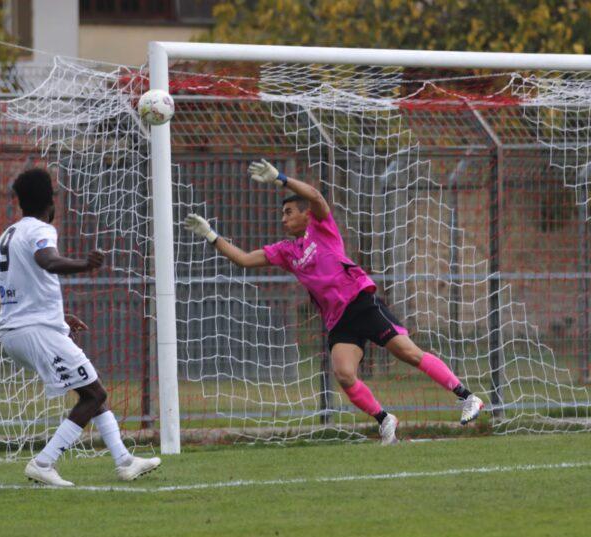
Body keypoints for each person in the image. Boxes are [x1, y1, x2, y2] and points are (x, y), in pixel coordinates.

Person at [184, 159, 484, 445]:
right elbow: (244, 260)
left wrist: (281, 179)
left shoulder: (322, 229)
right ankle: (384, 419)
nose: (283, 218)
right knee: (344, 374)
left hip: (360, 304)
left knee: (409, 354)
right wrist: (211, 235)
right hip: (338, 320)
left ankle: (466, 396)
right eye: (282, 213)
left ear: (305, 215)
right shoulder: (286, 251)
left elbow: (314, 194)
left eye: (289, 212)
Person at [0, 168, 160, 486]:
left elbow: (26, 284)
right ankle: (44, 462)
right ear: (50, 201)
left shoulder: (8, 235)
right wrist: (85, 264)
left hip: (19, 330)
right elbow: (48, 261)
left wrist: (59, 317)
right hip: (35, 332)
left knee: (92, 390)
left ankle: (124, 460)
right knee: (94, 393)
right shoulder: (41, 229)